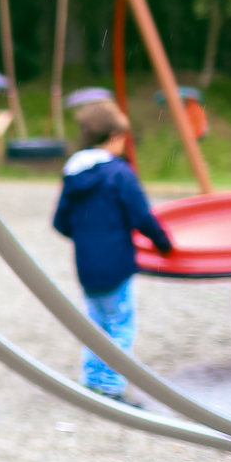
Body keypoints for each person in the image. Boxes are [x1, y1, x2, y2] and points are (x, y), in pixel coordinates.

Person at [52, 99, 173, 400]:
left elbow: (60, 222)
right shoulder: (120, 173)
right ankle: (113, 387)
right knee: (120, 325)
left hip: (86, 266)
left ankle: (92, 380)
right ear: (115, 137)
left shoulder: (73, 174)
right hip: (117, 264)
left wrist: (85, 236)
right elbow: (141, 216)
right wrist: (164, 244)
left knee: (95, 324)